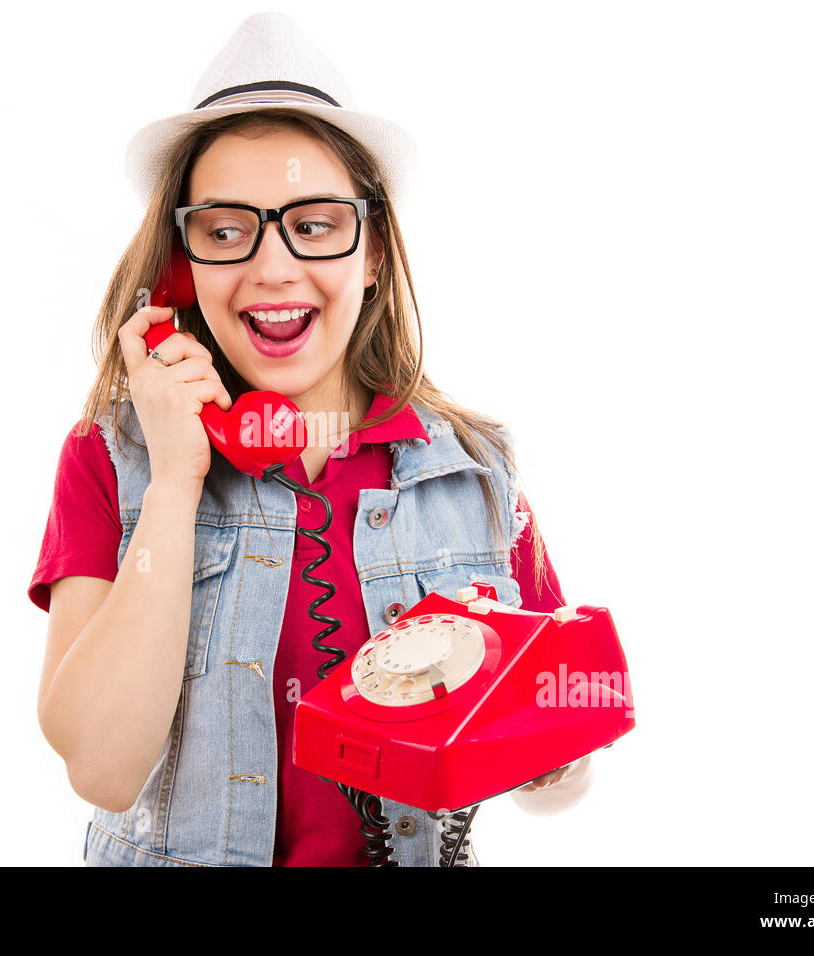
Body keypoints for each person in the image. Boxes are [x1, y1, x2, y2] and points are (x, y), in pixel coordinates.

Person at [29, 12, 594, 867]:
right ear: (181, 267)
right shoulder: (112, 460)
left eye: (316, 223)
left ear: (371, 252)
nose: (273, 269)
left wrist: (537, 724)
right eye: (226, 231)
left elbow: (561, 776)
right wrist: (178, 480)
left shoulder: (473, 474)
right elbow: (103, 768)